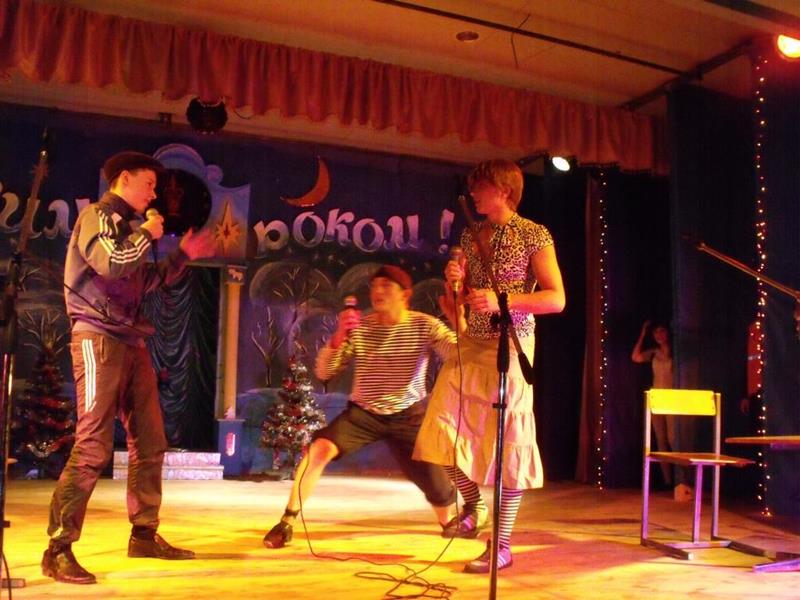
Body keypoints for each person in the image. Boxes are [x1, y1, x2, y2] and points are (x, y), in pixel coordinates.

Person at [42, 151, 216, 584]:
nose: (154, 194)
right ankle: (58, 548)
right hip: (97, 336)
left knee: (151, 441)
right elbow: (110, 262)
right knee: (92, 445)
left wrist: (182, 256)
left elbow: (144, 279)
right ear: (124, 178)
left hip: (131, 340)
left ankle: (144, 534)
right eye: (149, 184)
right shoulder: (98, 218)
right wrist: (147, 232)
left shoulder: (130, 230)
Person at [414, 159, 566, 574]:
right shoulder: (471, 233)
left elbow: (556, 298)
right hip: (472, 341)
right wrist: (455, 283)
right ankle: (474, 503)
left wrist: (503, 301)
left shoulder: (534, 233)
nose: (473, 194)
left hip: (512, 343)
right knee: (439, 431)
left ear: (503, 190)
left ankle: (501, 544)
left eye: (480, 187)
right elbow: (463, 297)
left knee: (510, 443)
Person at [262, 265, 460, 549]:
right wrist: (339, 335)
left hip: (408, 413)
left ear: (405, 295)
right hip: (363, 412)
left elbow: (458, 354)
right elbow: (325, 372)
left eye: (386, 286)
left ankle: (448, 521)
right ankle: (287, 521)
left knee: (436, 484)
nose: (378, 292)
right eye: (374, 286)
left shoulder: (424, 325)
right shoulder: (362, 327)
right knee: (319, 449)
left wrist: (458, 318)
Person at [631, 320, 693, 502]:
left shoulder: (676, 352)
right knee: (661, 440)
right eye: (655, 332)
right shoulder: (653, 353)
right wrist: (642, 334)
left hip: (671, 398)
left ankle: (681, 478)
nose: (658, 335)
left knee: (674, 438)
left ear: (667, 332)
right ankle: (667, 481)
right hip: (657, 398)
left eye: (661, 331)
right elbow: (635, 357)